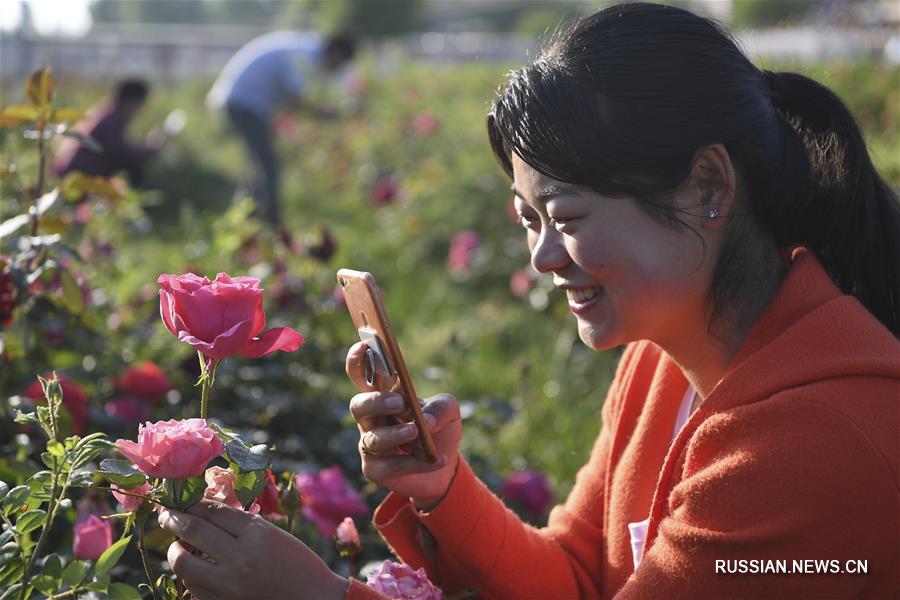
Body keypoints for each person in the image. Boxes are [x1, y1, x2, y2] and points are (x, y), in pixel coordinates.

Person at [158, 3, 900, 598]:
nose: (543, 259)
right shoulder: (660, 361)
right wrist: (441, 488)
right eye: (528, 222)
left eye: (568, 219)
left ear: (709, 186)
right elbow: (578, 578)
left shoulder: (812, 443)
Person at [207, 31, 357, 229]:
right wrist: (326, 114)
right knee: (268, 167)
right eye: (339, 64)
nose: (335, 69)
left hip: (245, 102)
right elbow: (296, 101)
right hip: (243, 103)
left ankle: (244, 219)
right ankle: (272, 225)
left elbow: (292, 99)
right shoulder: (303, 55)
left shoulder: (305, 48)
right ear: (337, 54)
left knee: (259, 165)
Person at [53, 79, 165, 187]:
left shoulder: (107, 114)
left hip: (71, 177)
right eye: (140, 106)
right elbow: (124, 156)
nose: (140, 112)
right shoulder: (110, 123)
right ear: (132, 102)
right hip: (75, 182)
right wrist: (151, 147)